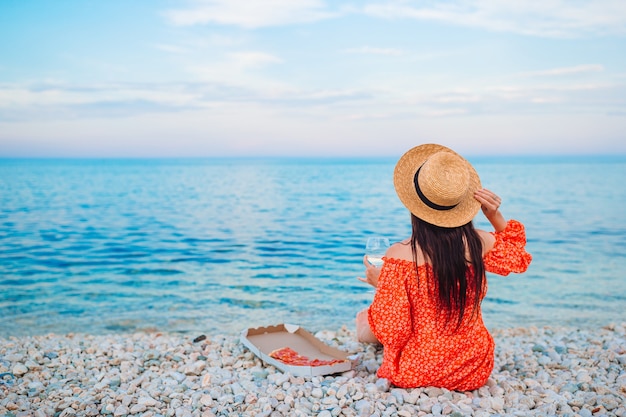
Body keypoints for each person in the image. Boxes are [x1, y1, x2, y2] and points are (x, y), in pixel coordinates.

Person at [356, 143, 532, 391]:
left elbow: (394, 330)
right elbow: (518, 256)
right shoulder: (480, 242)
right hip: (472, 368)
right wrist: (494, 216)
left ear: (414, 205)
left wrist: (381, 285)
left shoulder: (399, 254)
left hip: (416, 371)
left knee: (364, 320)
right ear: (460, 205)